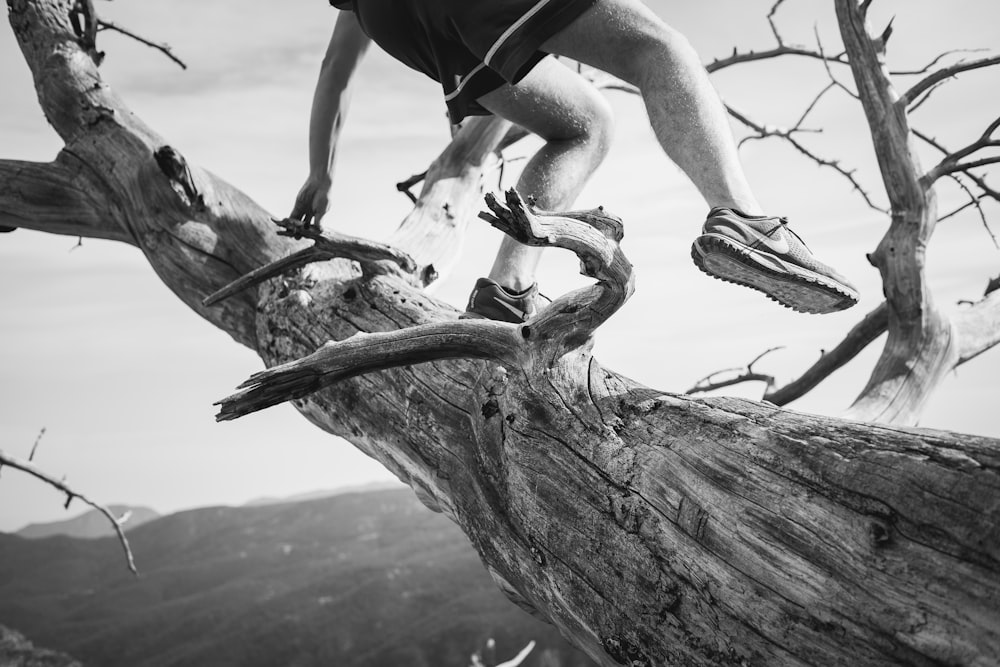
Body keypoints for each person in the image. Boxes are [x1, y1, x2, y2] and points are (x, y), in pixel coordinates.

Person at [290, 0, 859, 322]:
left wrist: (321, 173)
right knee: (657, 49)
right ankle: (744, 219)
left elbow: (334, 70)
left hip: (402, 23)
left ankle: (504, 294)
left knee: (585, 127)